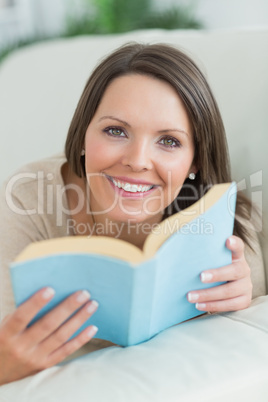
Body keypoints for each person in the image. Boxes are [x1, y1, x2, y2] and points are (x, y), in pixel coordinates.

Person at [0, 43, 266, 385]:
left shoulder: (229, 225)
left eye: (169, 141)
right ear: (82, 135)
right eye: (115, 131)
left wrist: (243, 293)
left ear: (195, 161)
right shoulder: (24, 202)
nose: (138, 160)